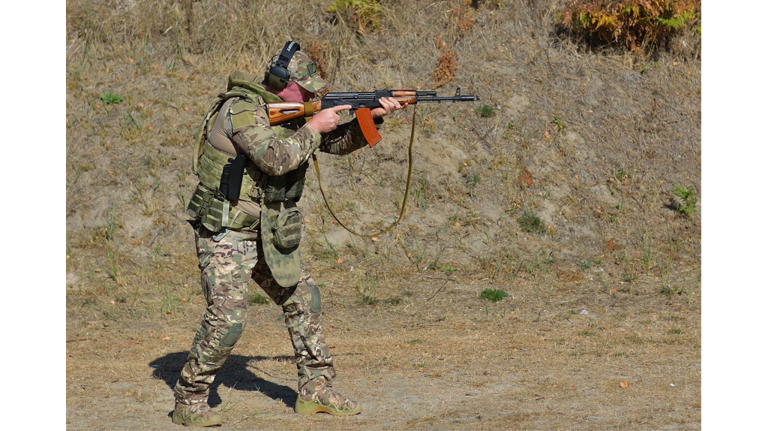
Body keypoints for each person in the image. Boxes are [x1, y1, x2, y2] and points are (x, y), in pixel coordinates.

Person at [172, 41, 406, 427]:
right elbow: (275, 160)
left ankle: (316, 389)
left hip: (267, 229)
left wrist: (372, 117)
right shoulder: (242, 110)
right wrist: (315, 125)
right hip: (225, 231)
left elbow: (334, 142)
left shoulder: (294, 116)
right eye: (306, 88)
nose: (315, 94)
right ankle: (189, 398)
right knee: (227, 319)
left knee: (304, 298)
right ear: (281, 82)